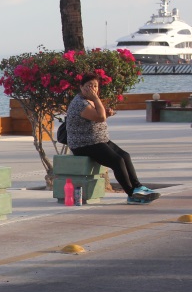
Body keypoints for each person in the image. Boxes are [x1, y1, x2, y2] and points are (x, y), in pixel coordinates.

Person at [66, 73, 159, 205]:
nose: (92, 89)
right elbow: (100, 118)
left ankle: (138, 187)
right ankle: (131, 194)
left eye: (95, 86)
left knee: (125, 156)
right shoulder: (80, 103)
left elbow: (97, 117)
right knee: (117, 161)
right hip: (83, 144)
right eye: (89, 86)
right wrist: (97, 99)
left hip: (98, 140)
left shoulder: (89, 101)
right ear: (81, 87)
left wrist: (105, 111)